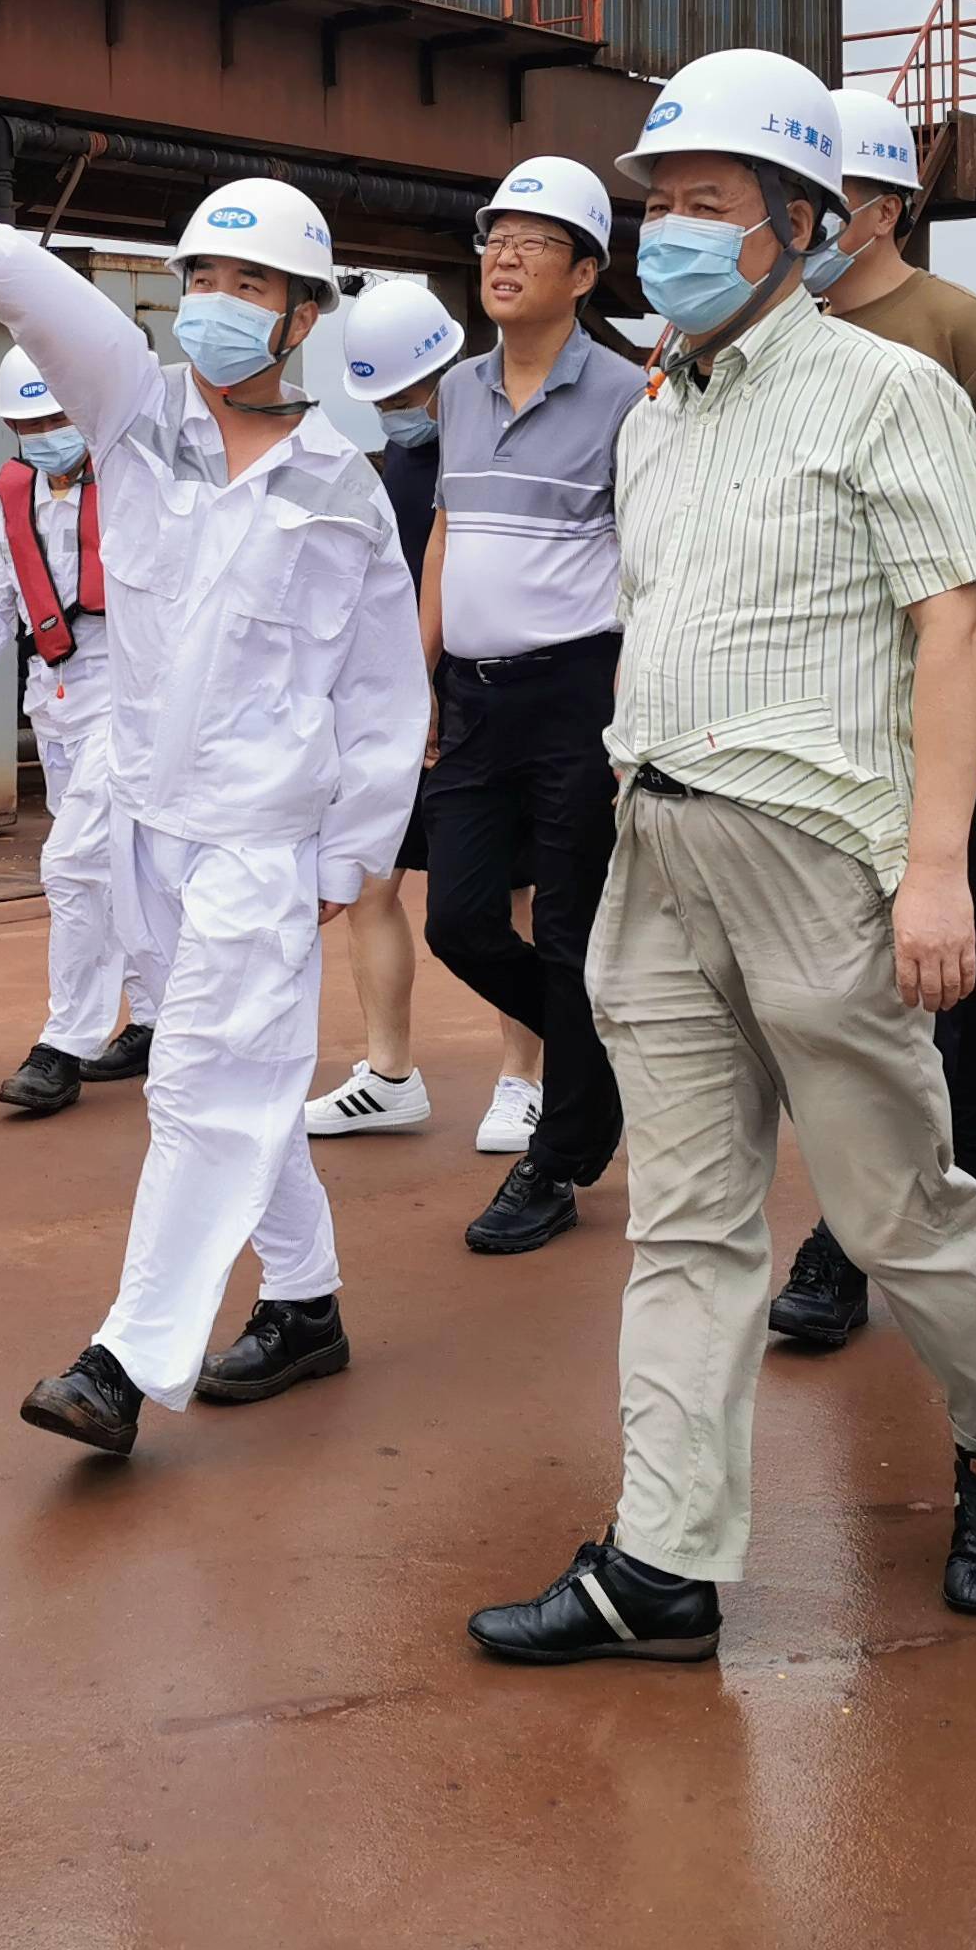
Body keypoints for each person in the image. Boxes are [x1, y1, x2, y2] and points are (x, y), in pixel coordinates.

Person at [467, 51, 976, 1665]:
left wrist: (933, 873)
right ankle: (661, 1563)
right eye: (658, 200)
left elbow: (954, 625)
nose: (668, 229)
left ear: (796, 224)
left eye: (706, 202)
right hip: (655, 842)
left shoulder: (889, 390)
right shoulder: (655, 413)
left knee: (896, 1210)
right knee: (683, 1224)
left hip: (813, 858)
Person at [0, 126, 428, 1458]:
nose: (214, 304)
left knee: (204, 1081)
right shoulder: (133, 415)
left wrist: (355, 858)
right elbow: (48, 305)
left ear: (306, 317)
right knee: (241, 1079)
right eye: (200, 279)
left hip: (263, 840)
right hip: (149, 822)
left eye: (248, 286)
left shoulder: (343, 487)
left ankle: (124, 1363)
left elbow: (385, 690)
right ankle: (308, 1305)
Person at [766, 84, 976, 1353]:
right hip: (827, 689)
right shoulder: (781, 329)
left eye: (829, 199)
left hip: (949, 685)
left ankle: (854, 1233)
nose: (803, 220)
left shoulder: (953, 327)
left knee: (896, 957)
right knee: (943, 948)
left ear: (886, 208)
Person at [416, 153, 635, 1255]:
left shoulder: (630, 397)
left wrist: (629, 722)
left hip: (576, 696)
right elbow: (446, 537)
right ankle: (614, 1067)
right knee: (456, 919)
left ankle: (558, 1160)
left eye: (533, 243)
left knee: (566, 931)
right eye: (494, 239)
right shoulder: (458, 389)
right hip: (474, 696)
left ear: (584, 274)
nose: (503, 258)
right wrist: (415, 683)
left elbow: (647, 565)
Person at [0, 344, 168, 1116]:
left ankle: (63, 1046)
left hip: (132, 695)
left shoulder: (135, 481)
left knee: (77, 863)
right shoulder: (17, 499)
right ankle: (158, 1018)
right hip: (55, 699)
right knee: (127, 867)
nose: (44, 435)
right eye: (27, 425)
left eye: (56, 418)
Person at [304, 276, 472, 1137]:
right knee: (370, 881)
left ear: (448, 369)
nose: (397, 415)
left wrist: (436, 683)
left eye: (408, 397)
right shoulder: (396, 462)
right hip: (404, 700)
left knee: (512, 897)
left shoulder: (489, 446)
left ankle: (528, 1081)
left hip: (478, 698)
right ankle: (389, 1072)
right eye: (383, 402)